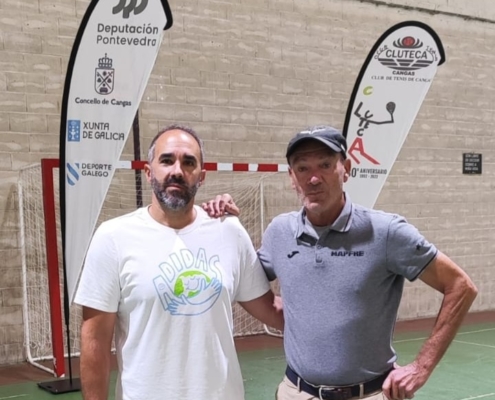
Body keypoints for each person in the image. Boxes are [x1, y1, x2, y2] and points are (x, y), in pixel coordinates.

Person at [204, 125, 478, 400]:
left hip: (369, 394)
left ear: (346, 169)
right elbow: (241, 280)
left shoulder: (386, 232)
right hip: (296, 392)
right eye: (302, 168)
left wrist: (421, 368)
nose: (313, 179)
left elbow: (460, 286)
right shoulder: (279, 232)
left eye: (325, 165)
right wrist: (223, 223)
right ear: (291, 177)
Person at [74, 124, 284, 400]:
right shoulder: (113, 237)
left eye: (188, 162)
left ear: (202, 176)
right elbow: (95, 341)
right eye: (166, 160)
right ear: (148, 172)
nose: (177, 170)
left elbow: (271, 310)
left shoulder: (228, 231)